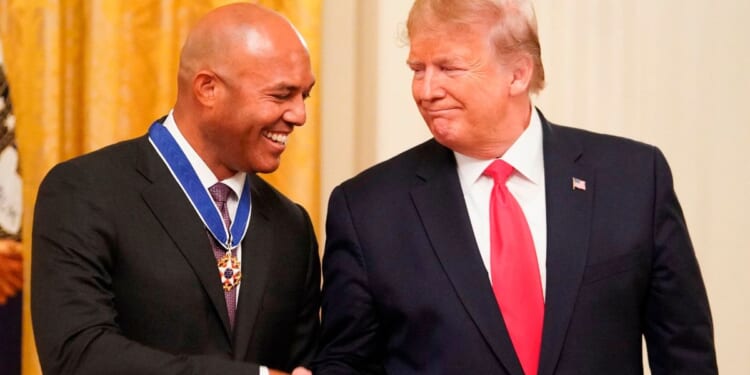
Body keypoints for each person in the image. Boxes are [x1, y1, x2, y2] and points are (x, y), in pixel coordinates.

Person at [312, 0, 717, 374]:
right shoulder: (368, 209)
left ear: (518, 74)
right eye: (418, 69)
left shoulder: (632, 180)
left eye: (449, 68)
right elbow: (347, 362)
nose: (426, 90)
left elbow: (685, 355)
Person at [32, 3, 319, 375]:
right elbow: (79, 354)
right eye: (282, 95)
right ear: (208, 88)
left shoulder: (291, 225)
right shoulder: (84, 192)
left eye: (304, 96)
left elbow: (304, 361)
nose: (299, 115)